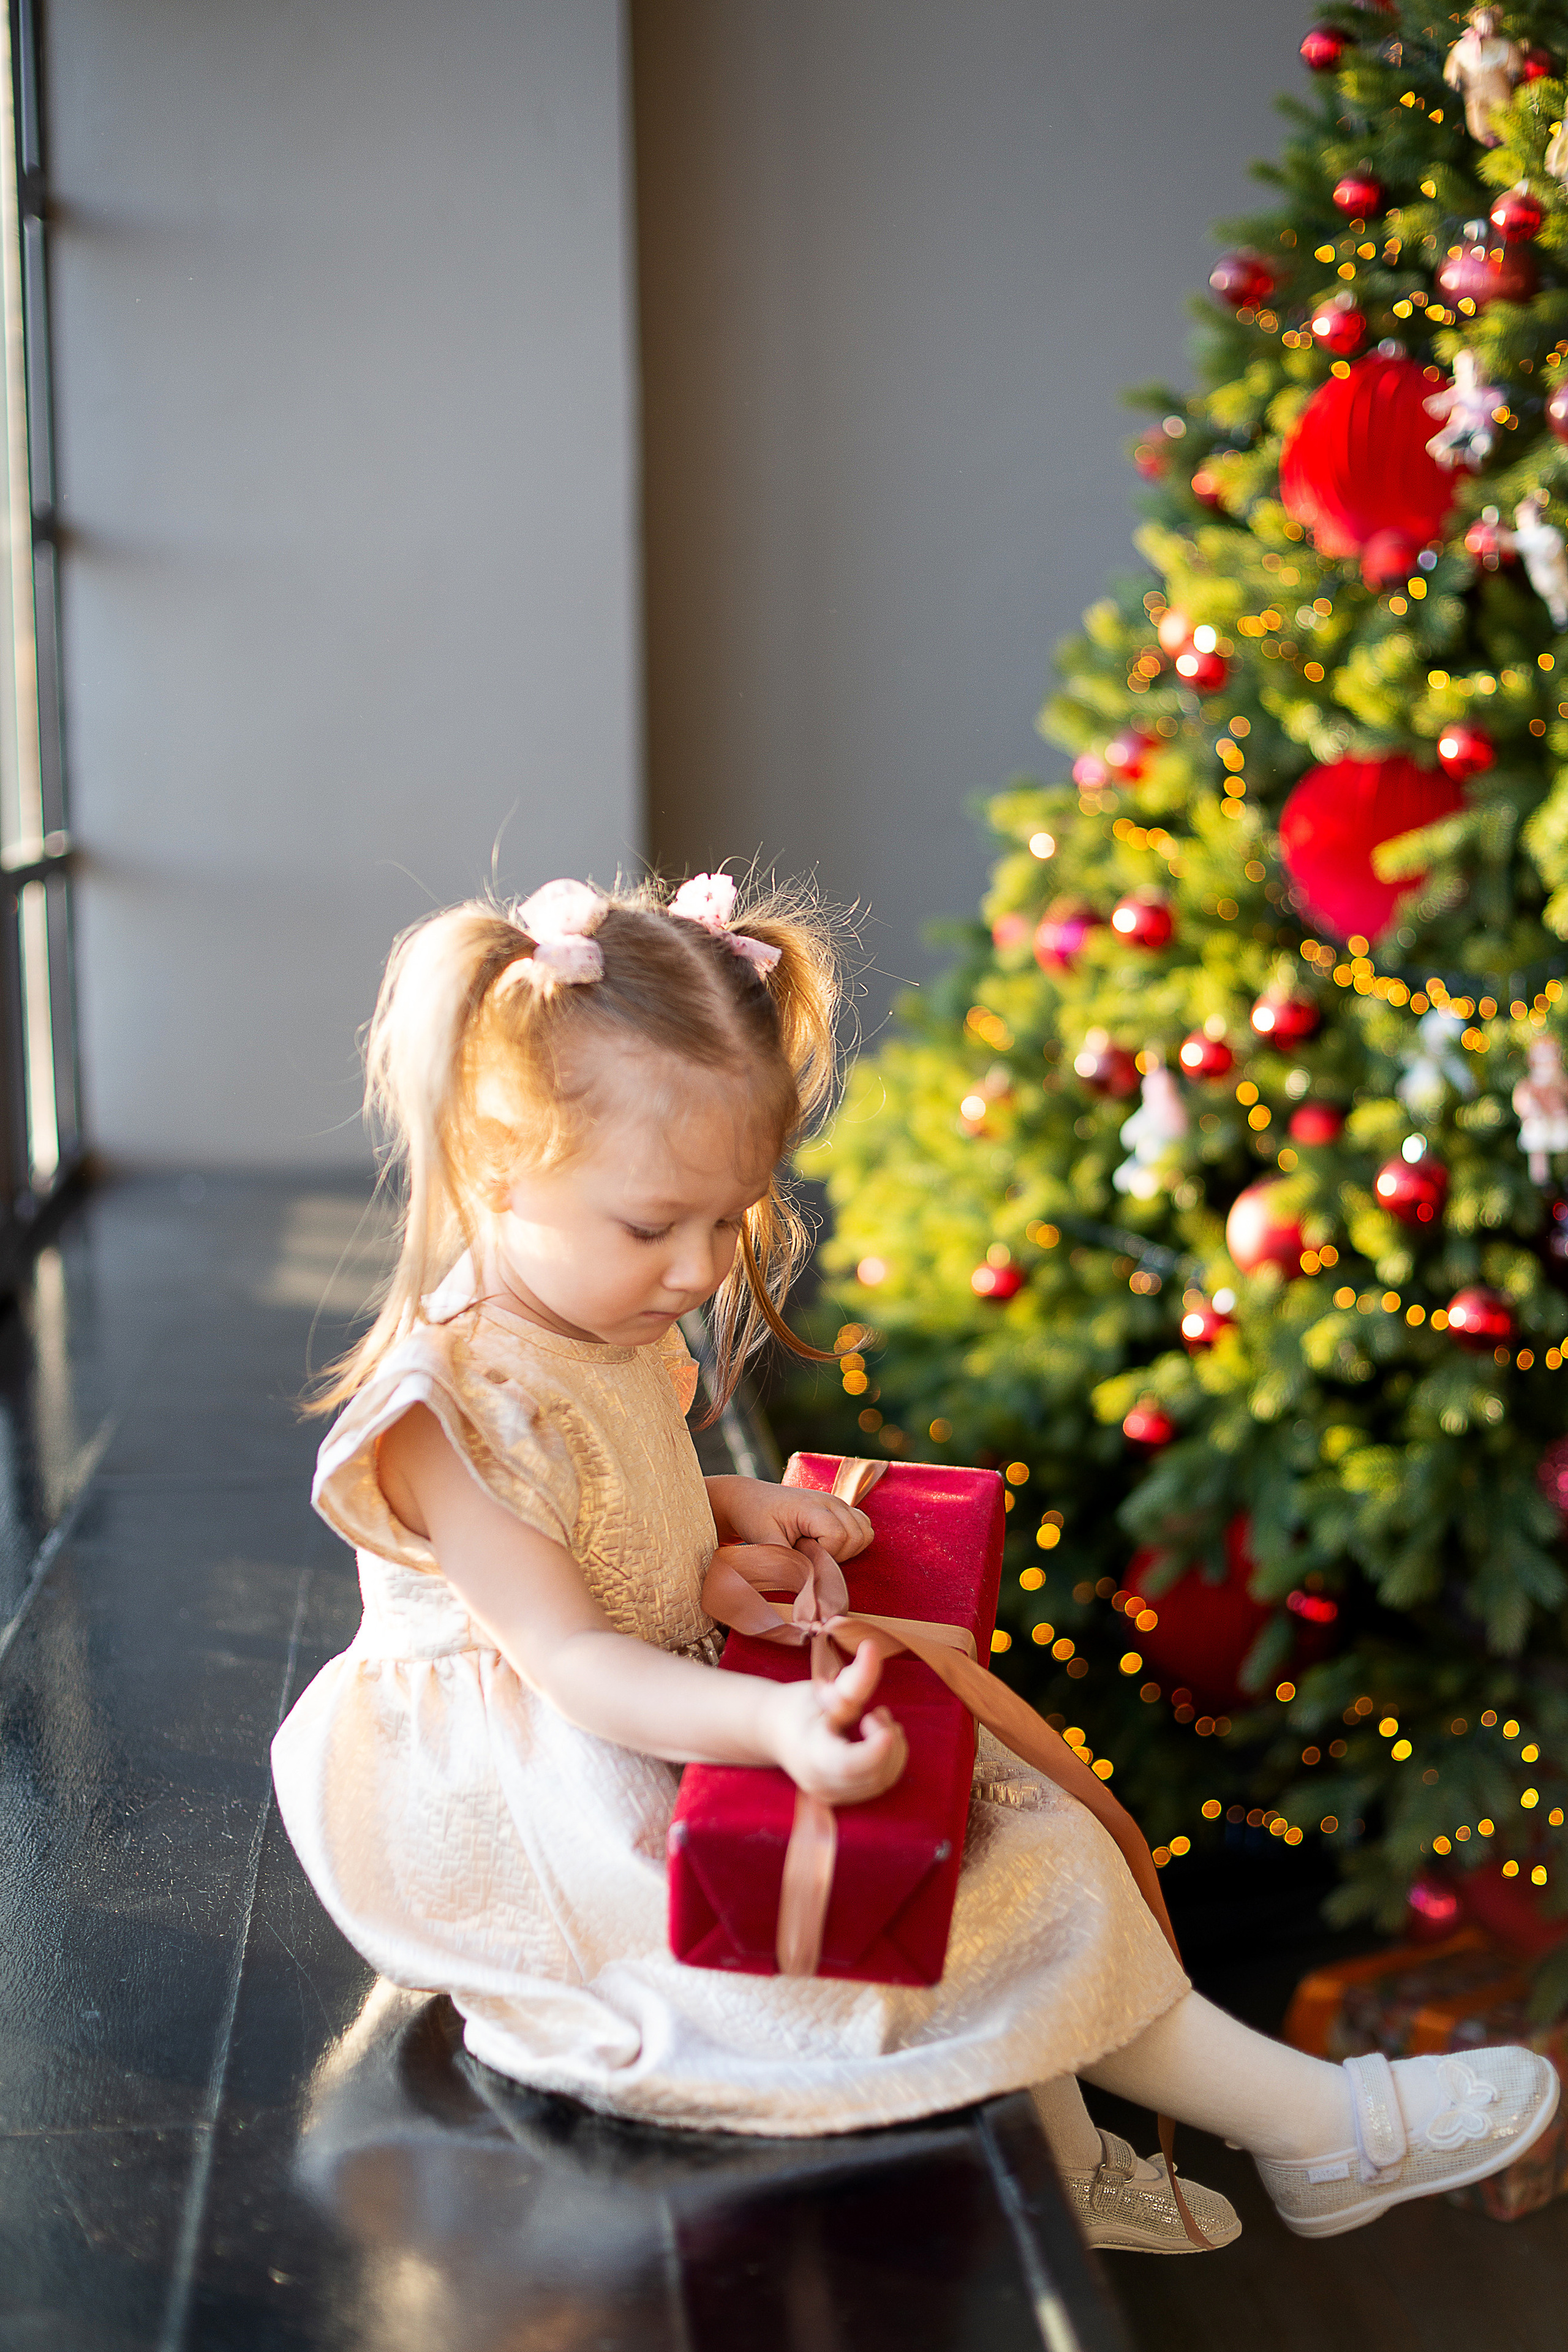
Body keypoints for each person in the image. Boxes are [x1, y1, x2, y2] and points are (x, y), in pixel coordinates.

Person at [273, 870, 1558, 2256]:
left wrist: (721, 1522)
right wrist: (771, 1722)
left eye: (728, 1220)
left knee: (1013, 1837)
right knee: (951, 1908)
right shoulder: (457, 1408)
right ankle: (1313, 2129)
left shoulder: (598, 1308)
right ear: (491, 1159)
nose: (697, 1270)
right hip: (536, 1806)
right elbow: (569, 1656)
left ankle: (1174, 2147)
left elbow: (605, 1518)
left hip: (646, 1704)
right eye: (654, 1226)